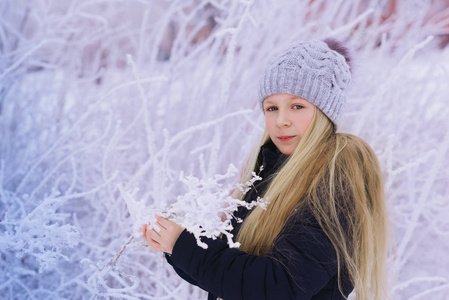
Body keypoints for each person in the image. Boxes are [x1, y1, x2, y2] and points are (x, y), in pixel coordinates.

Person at [141, 39, 389, 300]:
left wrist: (185, 247)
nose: (281, 121)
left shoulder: (333, 182)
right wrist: (178, 244)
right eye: (272, 108)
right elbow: (236, 278)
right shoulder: (271, 169)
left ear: (325, 112)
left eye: (297, 106)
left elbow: (276, 286)